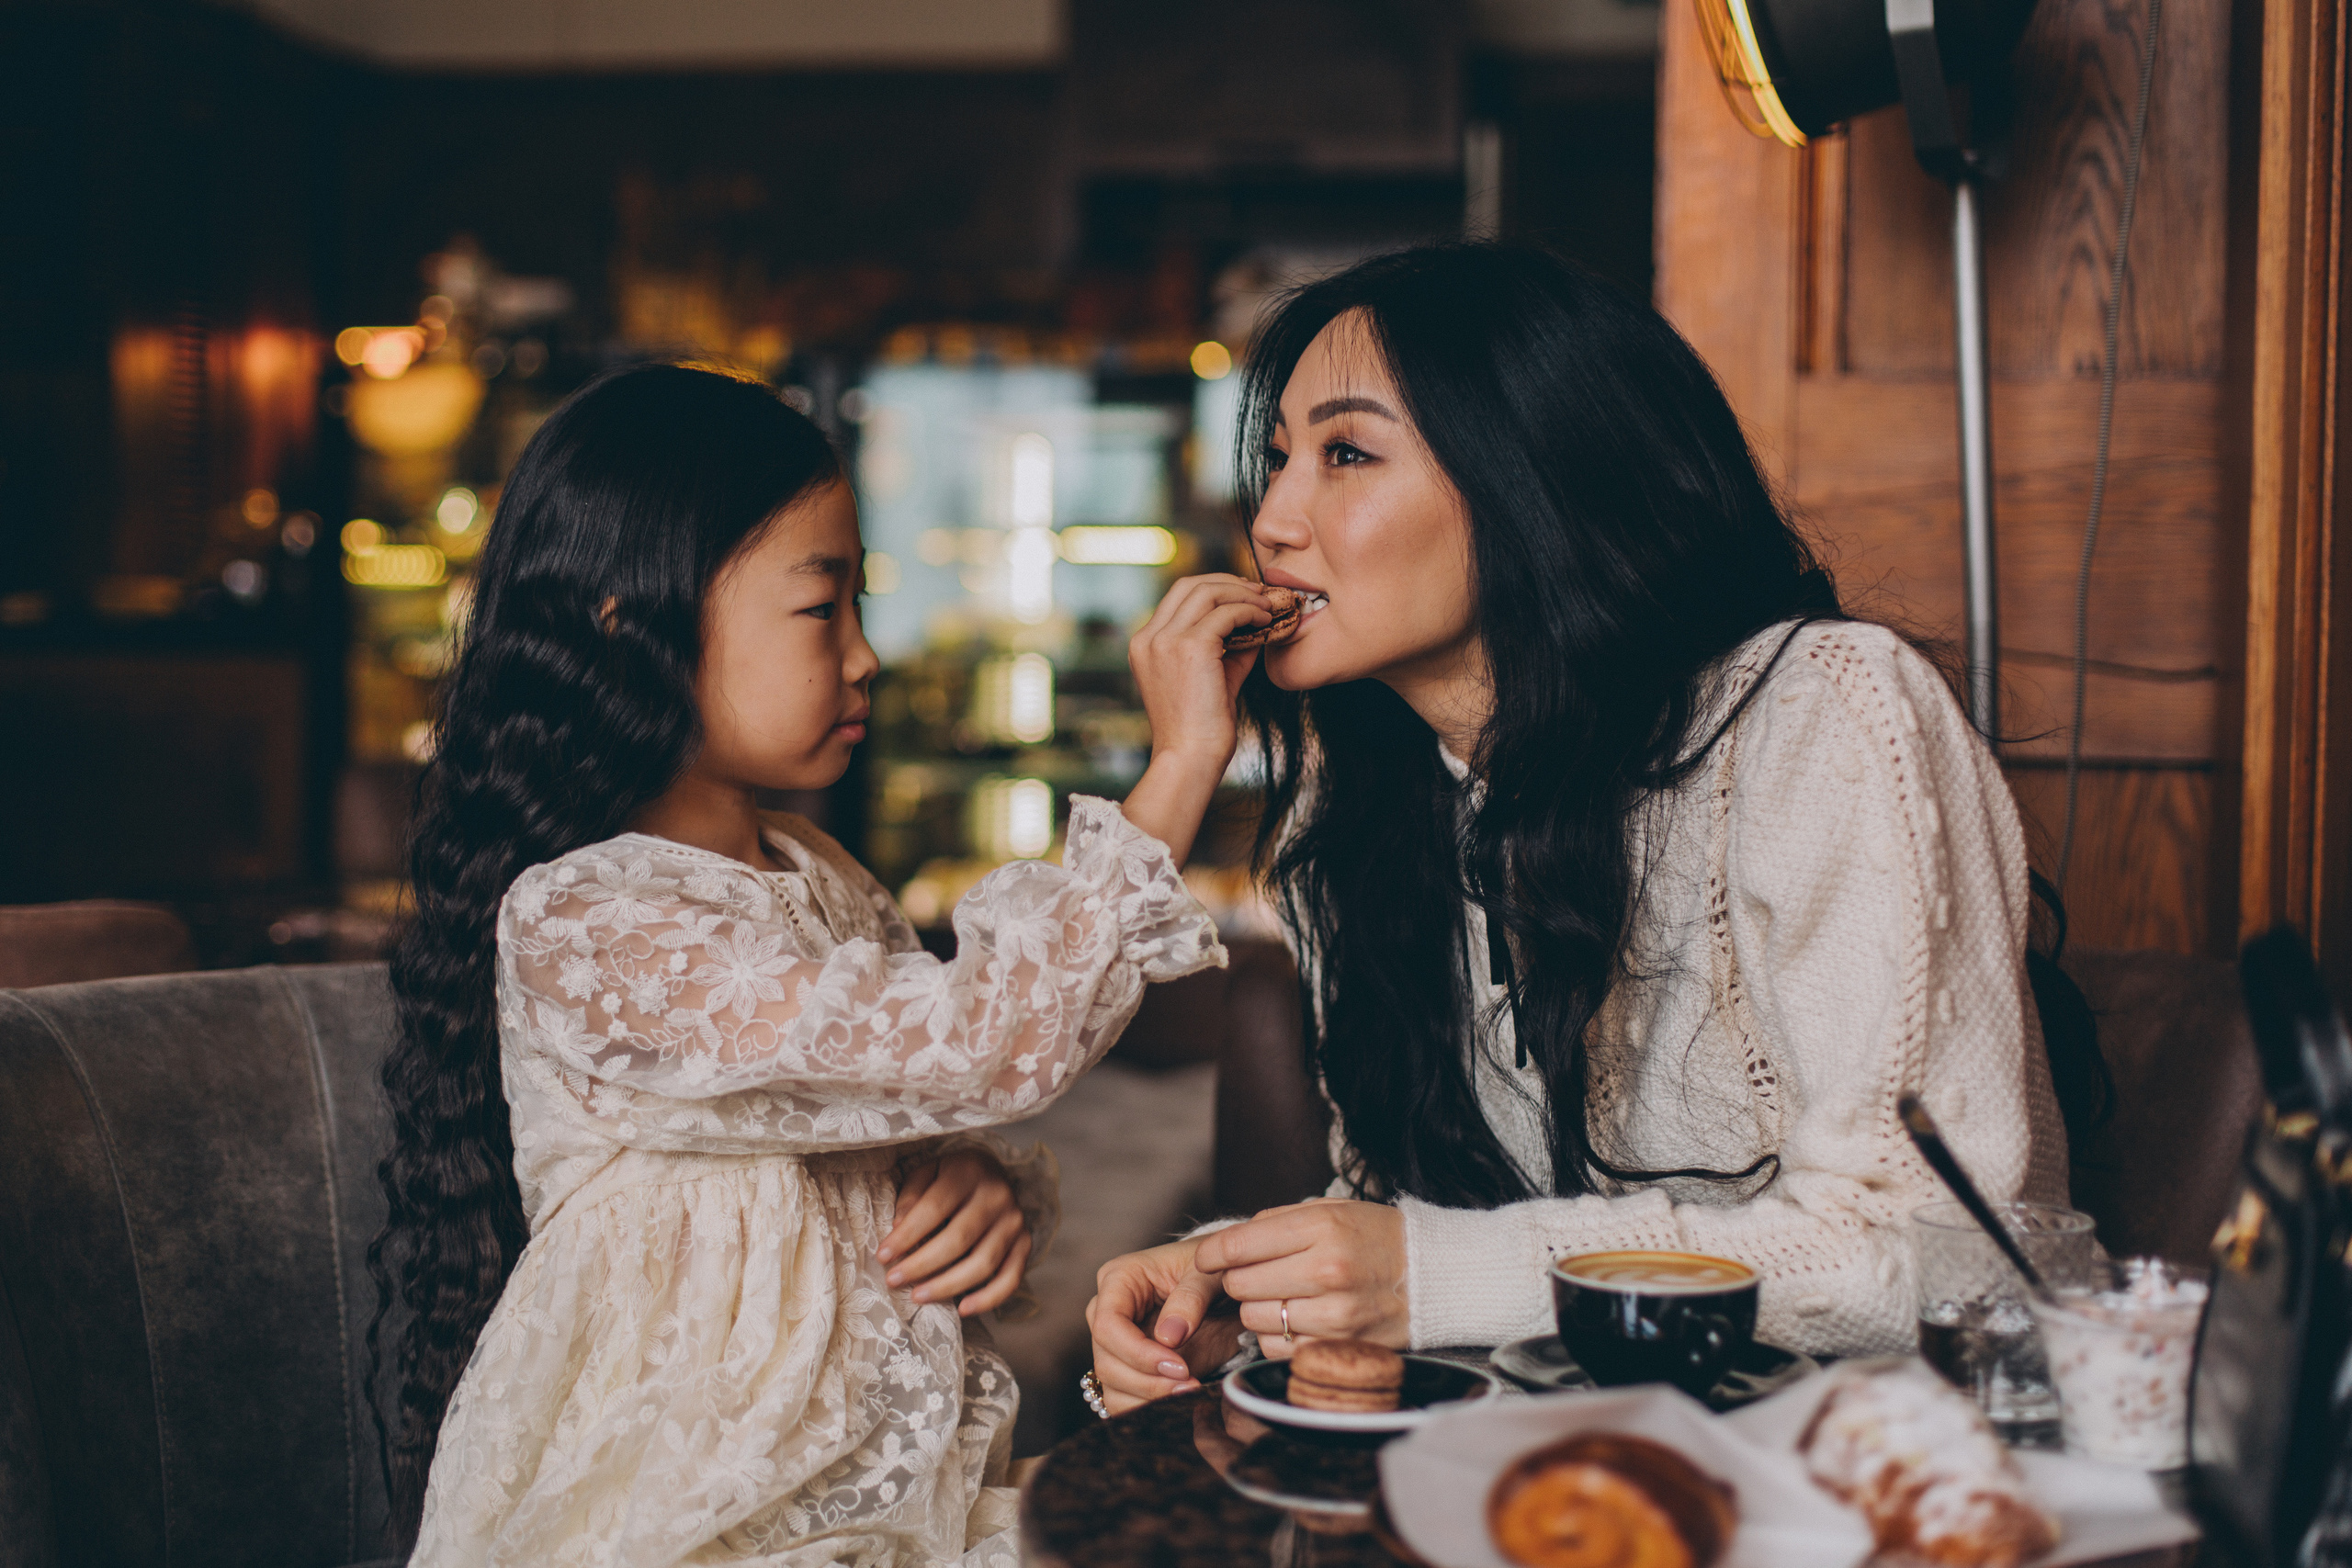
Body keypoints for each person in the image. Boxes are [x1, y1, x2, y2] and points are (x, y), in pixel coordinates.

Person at [1085, 242, 2092, 1415]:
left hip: (1874, 1479)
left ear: (1533, 475)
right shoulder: (1361, 801)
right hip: (1553, 1473)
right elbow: (1412, 1219)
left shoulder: (1822, 711)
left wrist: (1418, 1276)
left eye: (1346, 454)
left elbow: (1927, 1250)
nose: (1271, 522)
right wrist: (1249, 1300)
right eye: (1275, 462)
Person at [368, 364, 1276, 1565]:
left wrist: (967, 1179)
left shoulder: (820, 871)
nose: (866, 655)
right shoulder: (589, 917)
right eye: (820, 607)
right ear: (627, 619)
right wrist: (1178, 767)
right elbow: (982, 1039)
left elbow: (888, 1102)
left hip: (891, 1512)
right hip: (691, 1529)